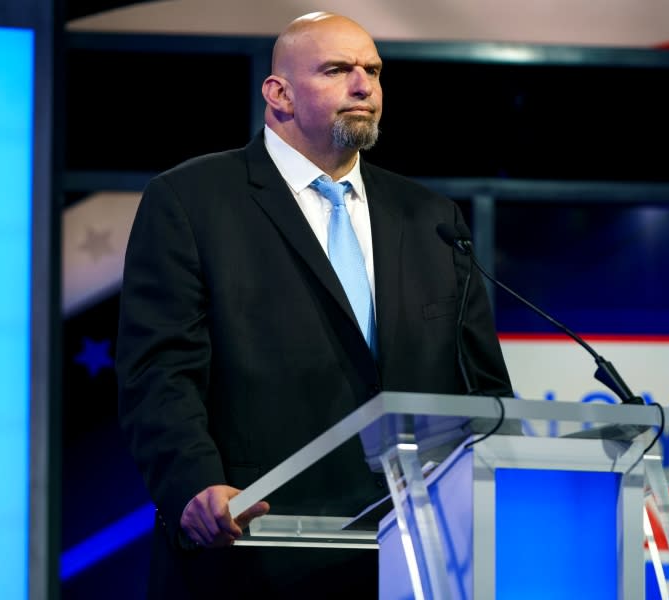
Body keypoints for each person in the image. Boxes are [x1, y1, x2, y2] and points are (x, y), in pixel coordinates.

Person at [115, 11, 514, 599]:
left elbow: (481, 387)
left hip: (411, 558)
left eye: (373, 71)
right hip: (255, 550)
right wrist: (193, 485)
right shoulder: (191, 201)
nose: (363, 86)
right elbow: (158, 371)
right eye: (338, 70)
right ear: (278, 93)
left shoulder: (429, 217)